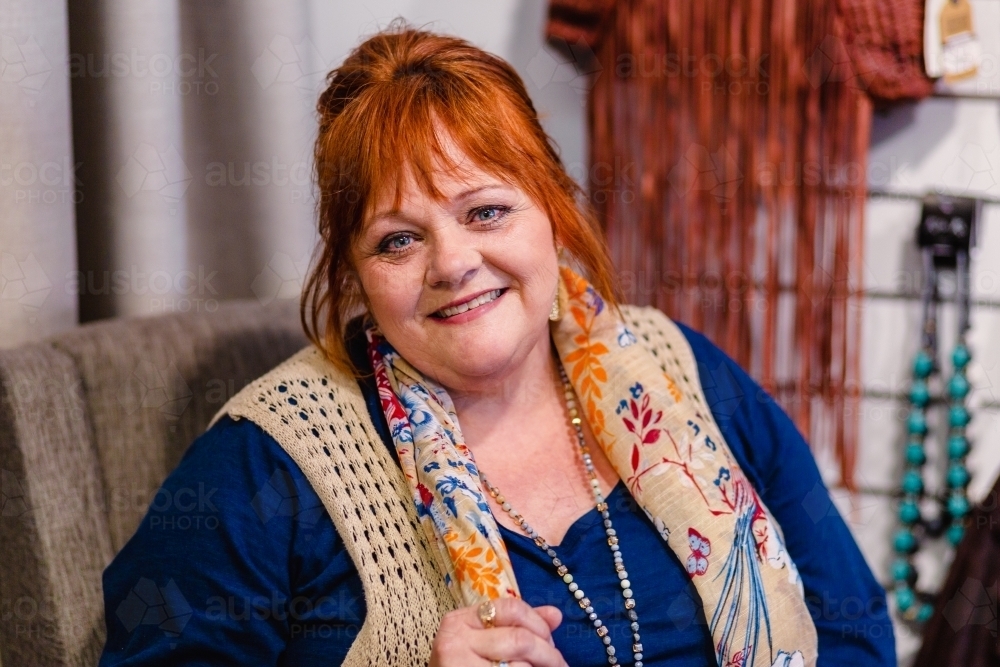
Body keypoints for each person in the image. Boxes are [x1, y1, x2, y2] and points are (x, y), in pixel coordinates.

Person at [98, 23, 895, 667]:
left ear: (553, 205)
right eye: (399, 240)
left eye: (485, 212)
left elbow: (853, 626)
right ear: (355, 274)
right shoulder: (267, 463)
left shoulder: (681, 369)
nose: (453, 264)